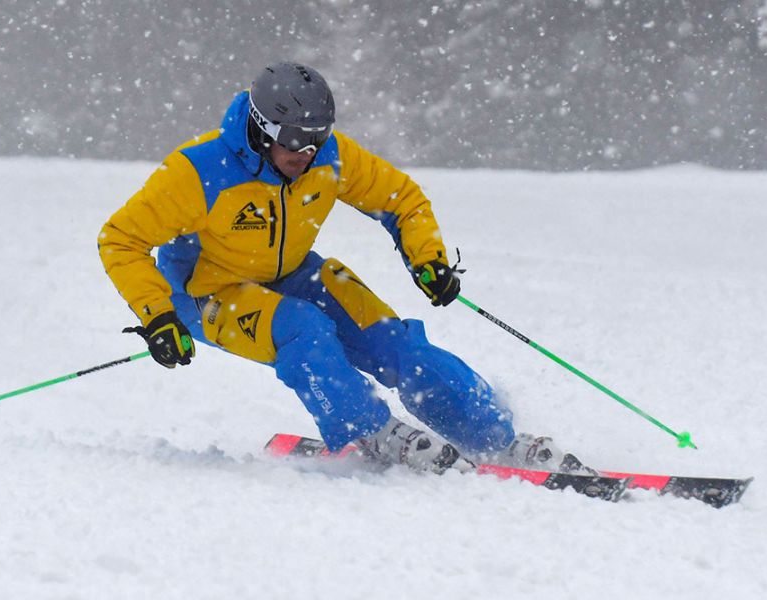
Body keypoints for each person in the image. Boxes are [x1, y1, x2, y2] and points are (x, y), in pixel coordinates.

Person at [99, 62, 578, 474]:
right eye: (293, 140)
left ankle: (493, 435)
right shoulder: (198, 171)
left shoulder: (327, 158)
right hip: (206, 294)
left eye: (316, 138)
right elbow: (120, 239)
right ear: (263, 130)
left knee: (392, 339)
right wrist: (157, 316)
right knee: (302, 328)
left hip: (291, 271)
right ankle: (367, 431)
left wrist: (426, 258)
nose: (306, 153)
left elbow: (402, 200)